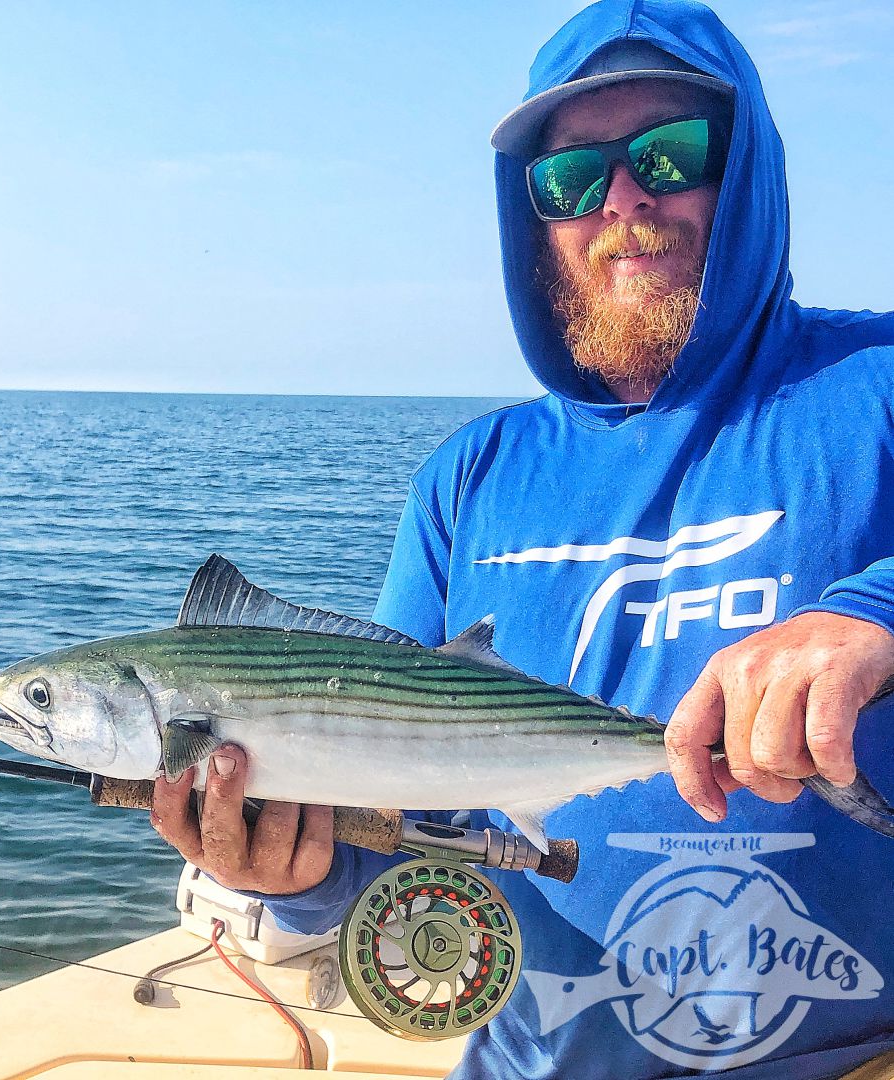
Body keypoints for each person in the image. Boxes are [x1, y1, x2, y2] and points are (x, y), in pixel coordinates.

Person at [152, 2, 894, 1076]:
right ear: (531, 217)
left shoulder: (871, 388)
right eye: (569, 178)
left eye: (667, 154)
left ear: (747, 174)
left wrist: (867, 611)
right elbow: (396, 823)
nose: (622, 200)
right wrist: (293, 869)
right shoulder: (470, 476)